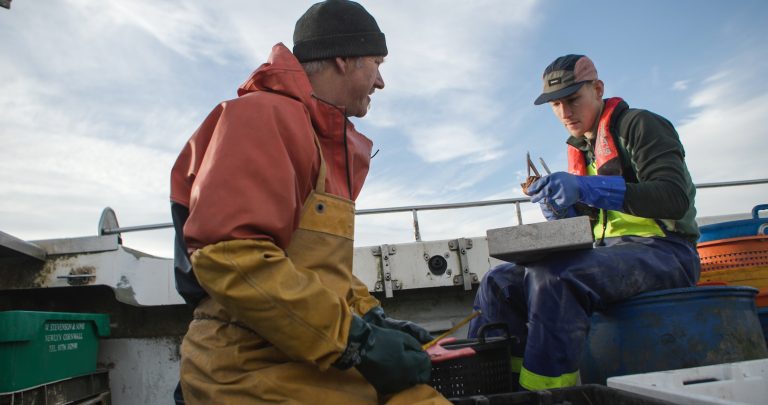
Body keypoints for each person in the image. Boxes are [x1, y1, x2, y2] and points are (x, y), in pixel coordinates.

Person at [169, 1, 448, 403]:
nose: (381, 81)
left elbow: (318, 267)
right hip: (248, 369)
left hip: (308, 356)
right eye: (376, 63)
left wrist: (373, 318)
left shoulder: (322, 138)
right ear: (343, 58)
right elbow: (231, 257)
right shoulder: (263, 117)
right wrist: (359, 343)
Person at [468, 54, 701, 391]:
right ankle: (500, 390)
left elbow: (673, 198)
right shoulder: (584, 150)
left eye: (573, 99)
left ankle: (547, 396)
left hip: (667, 253)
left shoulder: (641, 125)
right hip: (611, 257)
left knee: (555, 276)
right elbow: (589, 228)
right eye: (556, 105)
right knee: (498, 283)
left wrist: (587, 187)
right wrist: (560, 213)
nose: (565, 113)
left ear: (598, 89)